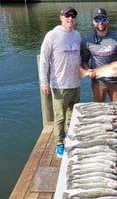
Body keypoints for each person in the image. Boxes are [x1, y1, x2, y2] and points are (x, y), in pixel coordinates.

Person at [39, 6, 81, 158]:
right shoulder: (52, 35)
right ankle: (59, 143)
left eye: (73, 16)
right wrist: (44, 82)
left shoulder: (77, 35)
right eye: (67, 16)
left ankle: (70, 136)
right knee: (60, 117)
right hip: (59, 84)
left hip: (75, 83)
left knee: (72, 113)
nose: (70, 19)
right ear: (61, 17)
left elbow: (79, 57)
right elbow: (44, 61)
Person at [81, 7, 117, 102]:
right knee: (100, 111)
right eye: (97, 19)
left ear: (108, 20)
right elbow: (84, 61)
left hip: (116, 83)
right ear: (93, 22)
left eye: (103, 19)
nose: (100, 22)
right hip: (98, 83)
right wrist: (88, 71)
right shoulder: (87, 41)